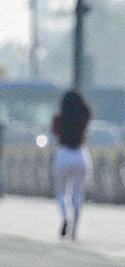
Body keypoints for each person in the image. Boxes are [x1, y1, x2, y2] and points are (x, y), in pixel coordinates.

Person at [52, 89, 92, 240]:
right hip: (80, 155)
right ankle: (74, 230)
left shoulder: (59, 118)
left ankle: (64, 217)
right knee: (78, 194)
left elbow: (54, 133)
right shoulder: (84, 116)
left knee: (62, 192)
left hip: (63, 154)